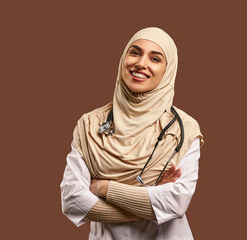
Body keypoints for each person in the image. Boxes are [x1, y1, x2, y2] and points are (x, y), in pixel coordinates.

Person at [60, 27, 204, 240]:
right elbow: (72, 200)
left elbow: (175, 203)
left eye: (155, 58)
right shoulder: (89, 124)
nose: (141, 63)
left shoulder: (183, 129)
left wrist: (103, 187)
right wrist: (148, 204)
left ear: (168, 70)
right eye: (135, 52)